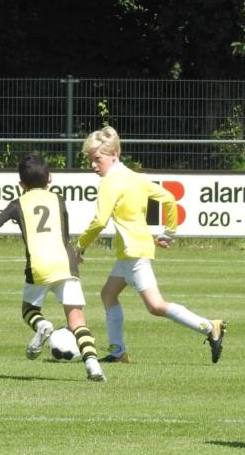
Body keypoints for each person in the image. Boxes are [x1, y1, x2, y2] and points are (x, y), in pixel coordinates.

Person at [74, 126, 225, 364]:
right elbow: (169, 198)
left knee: (155, 306)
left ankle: (209, 326)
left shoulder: (110, 183)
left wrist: (79, 247)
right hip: (130, 252)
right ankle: (118, 352)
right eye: (90, 160)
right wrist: (169, 231)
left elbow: (99, 221)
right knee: (108, 294)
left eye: (97, 159)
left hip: (134, 253)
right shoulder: (136, 177)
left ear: (114, 155)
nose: (93, 165)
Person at [0, 151, 104, 381]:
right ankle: (93, 365)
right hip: (65, 262)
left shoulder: (18, 203)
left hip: (38, 264)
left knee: (28, 310)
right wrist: (75, 255)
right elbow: (64, 232)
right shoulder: (58, 200)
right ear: (50, 178)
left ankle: (41, 325)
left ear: (21, 184)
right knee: (76, 319)